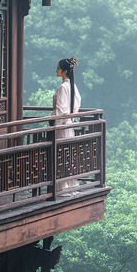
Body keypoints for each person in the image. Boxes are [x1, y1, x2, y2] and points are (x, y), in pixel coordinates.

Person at [51, 57, 81, 193]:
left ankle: (62, 187)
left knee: (61, 155)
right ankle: (68, 185)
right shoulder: (72, 86)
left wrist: (54, 122)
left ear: (64, 71)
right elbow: (76, 104)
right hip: (69, 124)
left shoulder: (63, 87)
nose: (56, 70)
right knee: (67, 155)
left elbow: (61, 110)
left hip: (62, 125)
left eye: (58, 68)